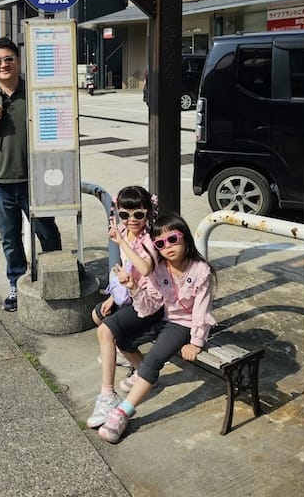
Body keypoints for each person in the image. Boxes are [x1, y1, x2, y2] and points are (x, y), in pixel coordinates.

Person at [96, 212, 216, 443]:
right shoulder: (159, 269)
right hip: (161, 316)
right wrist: (133, 287)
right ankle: (145, 377)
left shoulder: (201, 270)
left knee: (153, 361)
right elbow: (150, 304)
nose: (167, 247)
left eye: (173, 239)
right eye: (160, 244)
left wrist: (195, 341)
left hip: (183, 325)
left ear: (185, 238)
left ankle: (123, 412)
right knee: (123, 340)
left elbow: (202, 309)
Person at [0, 37, 61, 312]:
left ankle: (56, 278)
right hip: (0, 182)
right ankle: (16, 285)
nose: (4, 65)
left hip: (37, 180)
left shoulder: (36, 91)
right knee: (10, 238)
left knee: (47, 231)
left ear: (18, 61)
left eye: (9, 59)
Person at [87, 186, 162, 429]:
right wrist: (113, 296)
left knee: (105, 332)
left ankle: (107, 397)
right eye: (125, 214)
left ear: (148, 213)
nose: (131, 220)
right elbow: (126, 269)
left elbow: (144, 268)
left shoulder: (152, 238)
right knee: (99, 317)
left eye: (138, 215)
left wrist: (122, 241)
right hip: (131, 294)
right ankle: (140, 368)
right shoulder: (122, 231)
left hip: (151, 302)